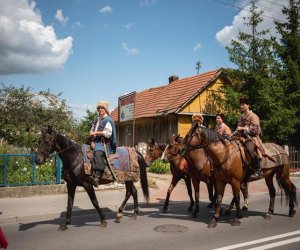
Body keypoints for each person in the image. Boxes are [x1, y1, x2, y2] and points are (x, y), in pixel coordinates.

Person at [88, 100, 116, 187]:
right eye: (99, 108)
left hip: (104, 142)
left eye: (102, 108)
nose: (100, 109)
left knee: (98, 152)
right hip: (95, 139)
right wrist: (91, 132)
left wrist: (95, 133)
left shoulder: (108, 120)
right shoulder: (97, 119)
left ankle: (96, 177)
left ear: (105, 109)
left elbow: (108, 133)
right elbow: (93, 129)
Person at [236, 96, 263, 178]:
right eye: (240, 105)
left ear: (248, 105)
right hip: (242, 137)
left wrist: (242, 128)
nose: (241, 106)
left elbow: (255, 130)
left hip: (252, 137)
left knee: (250, 149)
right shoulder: (241, 116)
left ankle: (258, 170)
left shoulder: (253, 116)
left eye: (243, 104)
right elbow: (239, 127)